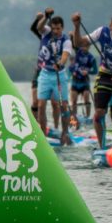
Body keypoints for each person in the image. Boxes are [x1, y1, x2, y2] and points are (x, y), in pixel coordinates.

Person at [71, 12, 112, 148]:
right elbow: (78, 43)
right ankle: (102, 147)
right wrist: (77, 26)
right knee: (99, 113)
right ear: (110, 26)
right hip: (105, 76)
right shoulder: (102, 32)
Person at [34, 15, 73, 143]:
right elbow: (38, 26)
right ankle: (42, 134)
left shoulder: (66, 40)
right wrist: (45, 15)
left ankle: (65, 133)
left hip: (59, 75)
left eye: (58, 28)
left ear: (62, 28)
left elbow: (65, 55)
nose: (56, 31)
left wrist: (60, 63)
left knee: (63, 105)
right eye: (54, 28)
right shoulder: (46, 32)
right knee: (41, 105)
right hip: (45, 74)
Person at [69, 37, 98, 122]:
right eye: (83, 46)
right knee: (73, 100)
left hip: (85, 81)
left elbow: (95, 71)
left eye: (86, 46)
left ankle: (87, 117)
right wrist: (72, 37)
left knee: (86, 98)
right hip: (75, 81)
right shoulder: (78, 53)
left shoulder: (91, 58)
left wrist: (88, 71)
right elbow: (74, 44)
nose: (84, 48)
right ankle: (74, 118)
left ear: (89, 47)